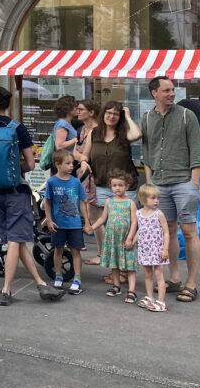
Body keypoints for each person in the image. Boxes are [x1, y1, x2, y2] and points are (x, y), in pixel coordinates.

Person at [0, 85, 64, 306]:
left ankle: (40, 284)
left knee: (14, 242)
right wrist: (18, 169)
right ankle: (7, 290)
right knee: (16, 241)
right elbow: (30, 163)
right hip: (16, 191)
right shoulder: (17, 127)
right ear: (7, 104)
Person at [140, 75, 200, 304]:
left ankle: (191, 283)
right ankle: (174, 277)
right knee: (167, 229)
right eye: (166, 90)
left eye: (172, 90)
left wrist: (193, 184)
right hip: (159, 183)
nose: (171, 94)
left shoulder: (187, 116)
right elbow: (147, 153)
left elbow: (197, 151)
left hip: (183, 182)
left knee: (189, 231)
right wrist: (149, 183)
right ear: (154, 93)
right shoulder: (147, 118)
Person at [78, 100, 142, 265]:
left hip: (125, 188)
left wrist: (127, 115)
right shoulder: (94, 133)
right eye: (109, 112)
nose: (111, 116)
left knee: (124, 228)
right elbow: (85, 155)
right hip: (101, 185)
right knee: (100, 222)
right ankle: (105, 256)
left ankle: (124, 267)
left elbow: (137, 134)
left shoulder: (124, 134)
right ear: (103, 113)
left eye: (116, 114)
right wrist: (84, 162)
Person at [43, 149, 91, 294]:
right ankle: (58, 276)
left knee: (76, 251)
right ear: (58, 164)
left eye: (72, 163)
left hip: (74, 223)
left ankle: (77, 279)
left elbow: (82, 202)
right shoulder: (51, 181)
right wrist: (49, 221)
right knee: (58, 250)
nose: (72, 166)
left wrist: (87, 222)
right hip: (58, 224)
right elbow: (47, 202)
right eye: (68, 163)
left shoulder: (76, 182)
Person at [89, 170, 138, 303]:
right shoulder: (109, 202)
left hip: (125, 238)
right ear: (111, 187)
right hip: (112, 238)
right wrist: (91, 227)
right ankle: (116, 286)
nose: (117, 188)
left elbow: (134, 222)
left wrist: (130, 238)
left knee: (130, 266)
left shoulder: (130, 203)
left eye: (120, 185)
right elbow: (102, 219)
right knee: (114, 263)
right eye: (115, 185)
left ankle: (132, 291)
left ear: (126, 187)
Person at [135, 183, 170, 312]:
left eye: (157, 198)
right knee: (147, 274)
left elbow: (166, 232)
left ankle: (161, 302)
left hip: (157, 250)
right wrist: (132, 241)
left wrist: (165, 249)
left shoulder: (159, 214)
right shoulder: (138, 214)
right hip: (145, 249)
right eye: (153, 198)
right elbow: (140, 230)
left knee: (159, 274)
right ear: (143, 199)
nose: (156, 201)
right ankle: (150, 297)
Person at [48, 96, 78, 170]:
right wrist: (75, 140)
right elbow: (59, 145)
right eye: (74, 106)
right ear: (68, 109)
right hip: (64, 164)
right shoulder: (62, 124)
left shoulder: (67, 123)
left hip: (67, 162)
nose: (76, 109)